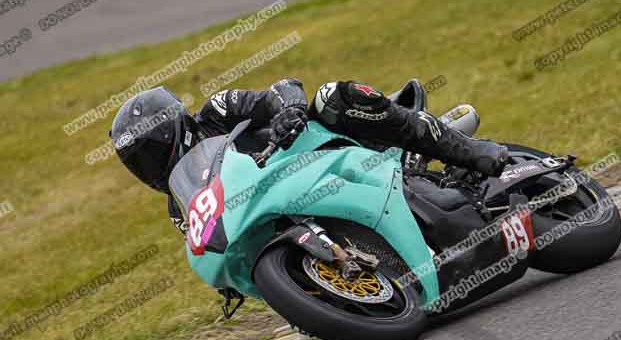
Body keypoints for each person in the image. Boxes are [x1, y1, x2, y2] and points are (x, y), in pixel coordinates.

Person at [110, 78, 509, 234]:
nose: (148, 168)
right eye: (137, 164)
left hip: (329, 149)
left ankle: (472, 151)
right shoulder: (181, 207)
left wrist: (289, 111)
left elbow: (282, 89)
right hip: (297, 208)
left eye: (151, 153)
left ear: (172, 129)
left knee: (332, 96)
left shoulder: (217, 111)